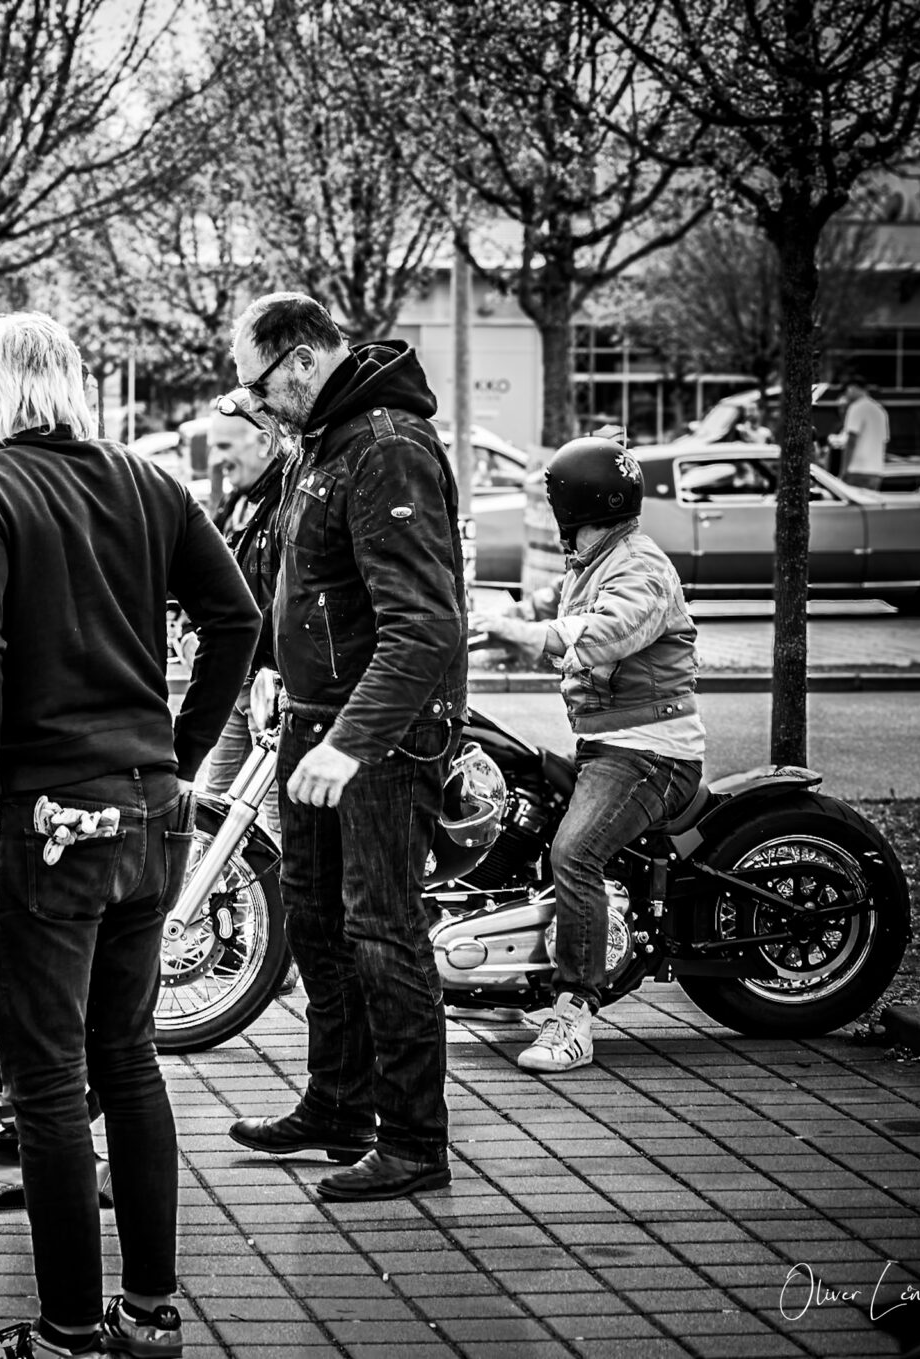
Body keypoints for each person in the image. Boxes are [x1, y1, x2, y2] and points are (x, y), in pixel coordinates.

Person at [0, 312, 259, 1359]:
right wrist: (181, 752)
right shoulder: (150, 482)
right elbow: (238, 618)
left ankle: (68, 1332)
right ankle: (151, 1313)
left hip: (46, 820)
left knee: (47, 1087)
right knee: (129, 1058)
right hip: (150, 810)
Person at [222, 292, 468, 1203]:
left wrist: (354, 741)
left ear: (299, 359)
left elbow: (425, 623)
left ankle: (414, 1140)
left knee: (382, 928)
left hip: (381, 737)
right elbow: (306, 578)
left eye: (258, 386)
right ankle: (338, 1104)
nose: (255, 406)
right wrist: (269, 663)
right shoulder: (323, 439)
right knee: (316, 917)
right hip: (317, 718)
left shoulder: (386, 447)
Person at [473, 435, 704, 1073]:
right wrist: (466, 624)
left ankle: (575, 1012)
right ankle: (507, 982)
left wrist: (527, 635)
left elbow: (604, 632)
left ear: (573, 505)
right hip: (609, 745)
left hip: (651, 753)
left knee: (574, 853)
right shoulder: (592, 562)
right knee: (519, 797)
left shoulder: (640, 568)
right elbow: (539, 608)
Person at [187, 389, 287, 834]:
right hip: (240, 678)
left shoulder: (290, 501)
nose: (216, 459)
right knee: (214, 813)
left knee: (277, 824)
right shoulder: (238, 500)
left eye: (225, 446)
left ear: (264, 442)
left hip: (273, 690)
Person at [830, 376, 888, 487]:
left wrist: (844, 471)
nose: (846, 396)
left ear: (852, 388)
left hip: (856, 471)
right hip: (876, 473)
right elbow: (883, 441)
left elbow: (851, 441)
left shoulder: (856, 408)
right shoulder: (880, 410)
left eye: (846, 392)